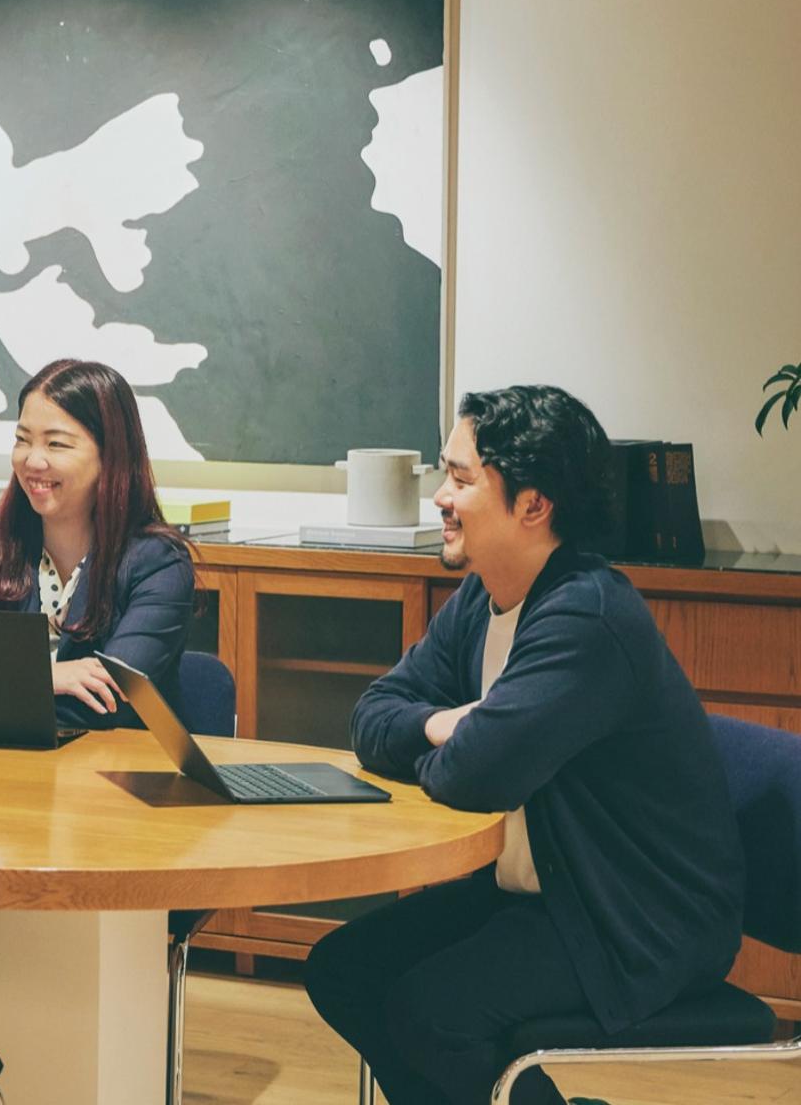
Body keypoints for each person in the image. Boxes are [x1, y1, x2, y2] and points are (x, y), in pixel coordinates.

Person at [306, 385, 745, 1105]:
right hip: (543, 892)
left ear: (533, 505)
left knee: (430, 1015)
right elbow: (372, 717)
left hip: (632, 918)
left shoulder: (586, 618)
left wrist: (464, 743)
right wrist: (443, 724)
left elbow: (473, 777)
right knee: (343, 971)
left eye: (460, 479)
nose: (440, 497)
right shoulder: (485, 597)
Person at [0, 358, 195, 729]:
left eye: (56, 444)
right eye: (22, 440)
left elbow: (106, 706)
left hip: (112, 763)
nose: (33, 460)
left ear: (109, 455)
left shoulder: (160, 564)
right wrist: (49, 676)